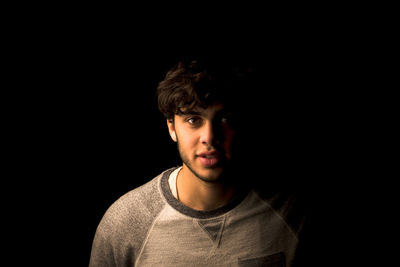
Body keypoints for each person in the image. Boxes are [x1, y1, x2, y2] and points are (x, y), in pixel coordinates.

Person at [89, 56, 308, 266]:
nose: (210, 137)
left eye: (225, 119)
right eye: (193, 120)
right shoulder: (126, 223)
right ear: (172, 127)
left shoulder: (291, 215)